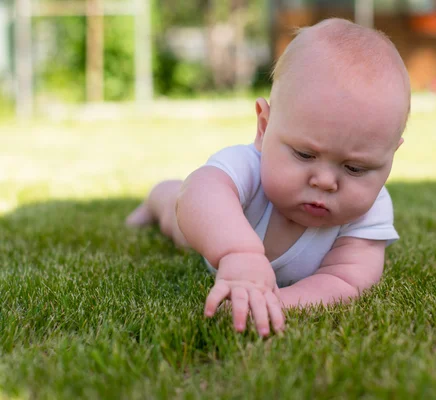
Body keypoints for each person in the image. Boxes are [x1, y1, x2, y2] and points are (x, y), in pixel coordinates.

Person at [126, 18, 411, 337]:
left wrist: (278, 300)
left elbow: (347, 281)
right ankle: (157, 198)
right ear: (264, 127)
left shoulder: (370, 212)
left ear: (389, 158)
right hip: (213, 240)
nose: (326, 181)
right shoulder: (249, 165)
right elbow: (199, 193)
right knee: (176, 218)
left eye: (355, 168)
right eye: (305, 155)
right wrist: (238, 253)